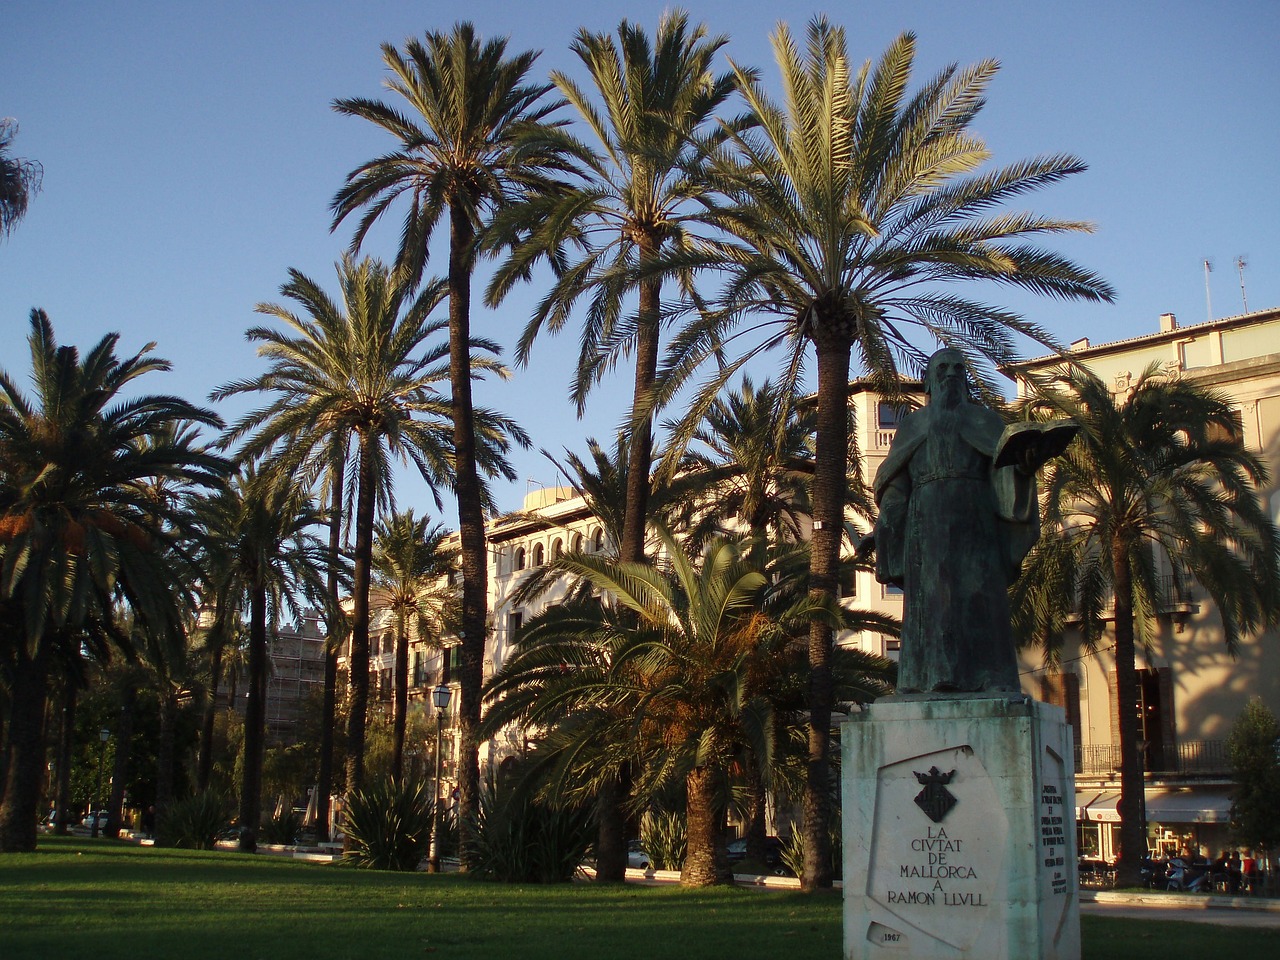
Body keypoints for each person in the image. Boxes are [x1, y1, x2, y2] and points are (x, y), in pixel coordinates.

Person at [870, 349, 1073, 694]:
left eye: (958, 369)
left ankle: (990, 677)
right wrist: (890, 520)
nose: (951, 374)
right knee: (933, 600)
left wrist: (1023, 467)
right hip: (927, 521)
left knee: (982, 595)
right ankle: (927, 677)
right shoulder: (913, 426)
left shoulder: (986, 421)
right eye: (943, 368)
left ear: (966, 379)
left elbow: (1004, 473)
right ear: (930, 379)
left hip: (976, 517)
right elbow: (895, 481)